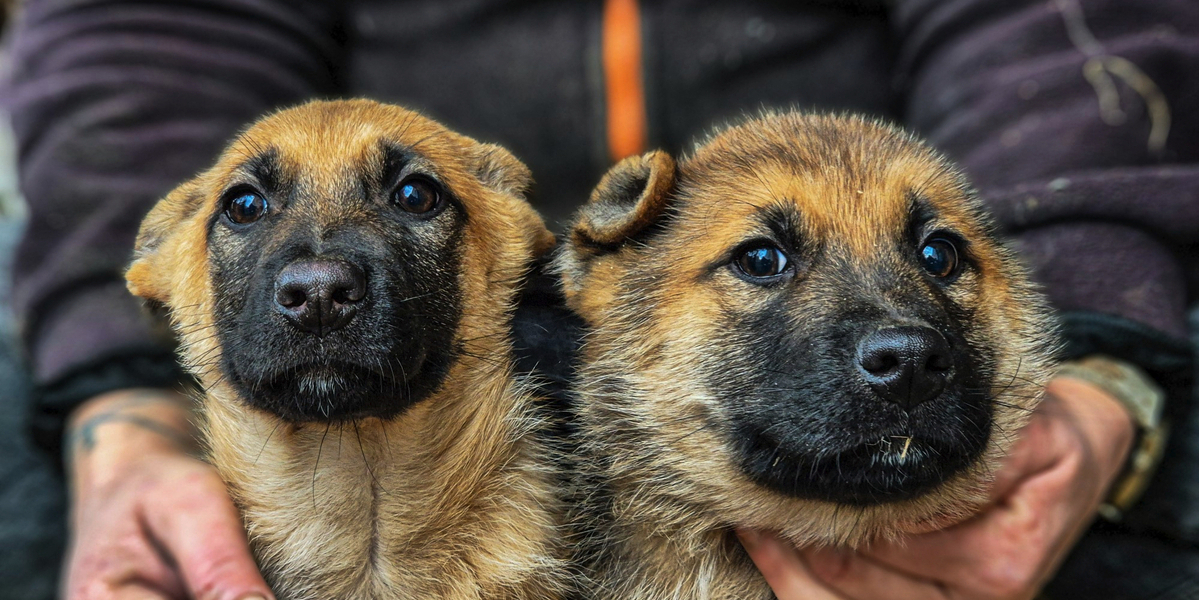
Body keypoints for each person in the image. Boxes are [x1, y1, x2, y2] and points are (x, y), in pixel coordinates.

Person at [4, 1, 1197, 599]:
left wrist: (1101, 355)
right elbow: (150, 34)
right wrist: (119, 410)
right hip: (485, 334)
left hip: (989, 210)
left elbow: (1057, 30)